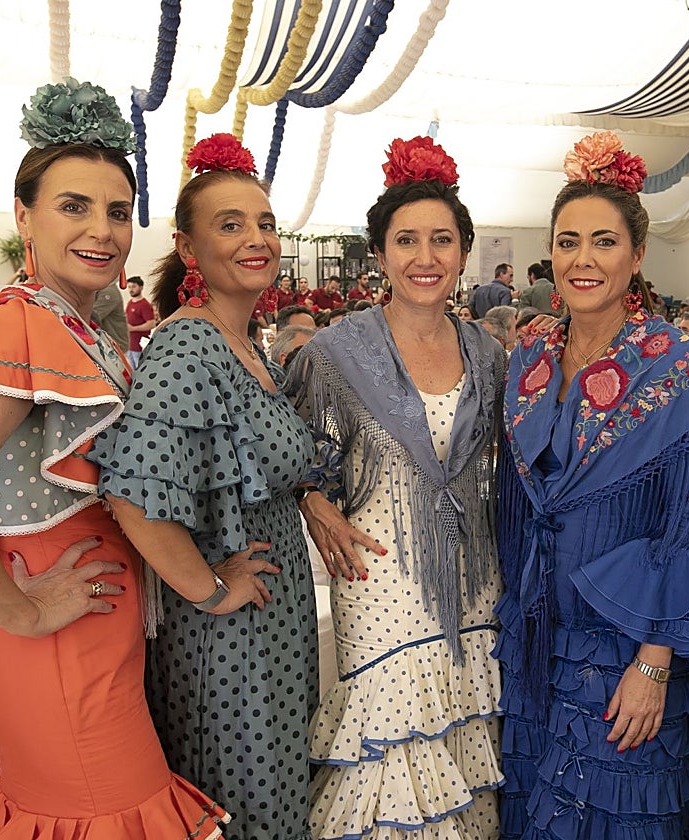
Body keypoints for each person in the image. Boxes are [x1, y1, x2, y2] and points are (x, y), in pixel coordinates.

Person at [0, 78, 229, 839]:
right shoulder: (18, 323)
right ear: (23, 215)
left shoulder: (73, 327)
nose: (102, 230)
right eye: (74, 206)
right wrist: (24, 611)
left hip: (87, 637)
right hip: (60, 644)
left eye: (118, 212)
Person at [494, 132, 689, 839]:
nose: (584, 260)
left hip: (622, 638)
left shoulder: (673, 361)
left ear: (637, 254)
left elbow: (687, 518)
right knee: (538, 805)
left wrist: (654, 663)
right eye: (568, 242)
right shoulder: (531, 351)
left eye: (604, 242)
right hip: (536, 625)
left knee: (614, 808)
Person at [89, 132, 317, 840]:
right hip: (229, 635)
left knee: (278, 790)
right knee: (247, 801)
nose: (257, 239)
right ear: (189, 248)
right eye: (231, 224)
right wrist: (211, 589)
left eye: (265, 224)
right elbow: (129, 491)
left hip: (272, 614)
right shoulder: (188, 344)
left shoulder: (244, 344)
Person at [287, 135, 507, 840]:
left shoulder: (488, 354)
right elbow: (294, 459)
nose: (425, 257)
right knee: (389, 760)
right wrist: (313, 501)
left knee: (465, 747)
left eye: (442, 239)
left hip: (478, 582)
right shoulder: (333, 353)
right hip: (379, 577)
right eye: (406, 240)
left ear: (463, 254)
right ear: (379, 255)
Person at [125, 275, 156, 367]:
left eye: (134, 286)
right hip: (130, 345)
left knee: (139, 369)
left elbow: (151, 324)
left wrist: (133, 328)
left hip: (139, 347)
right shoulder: (130, 303)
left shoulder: (144, 305)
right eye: (129, 287)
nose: (131, 289)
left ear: (141, 287)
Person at [91, 276, 129, 346]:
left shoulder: (108, 292)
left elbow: (94, 317)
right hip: (109, 343)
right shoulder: (104, 290)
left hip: (113, 344)